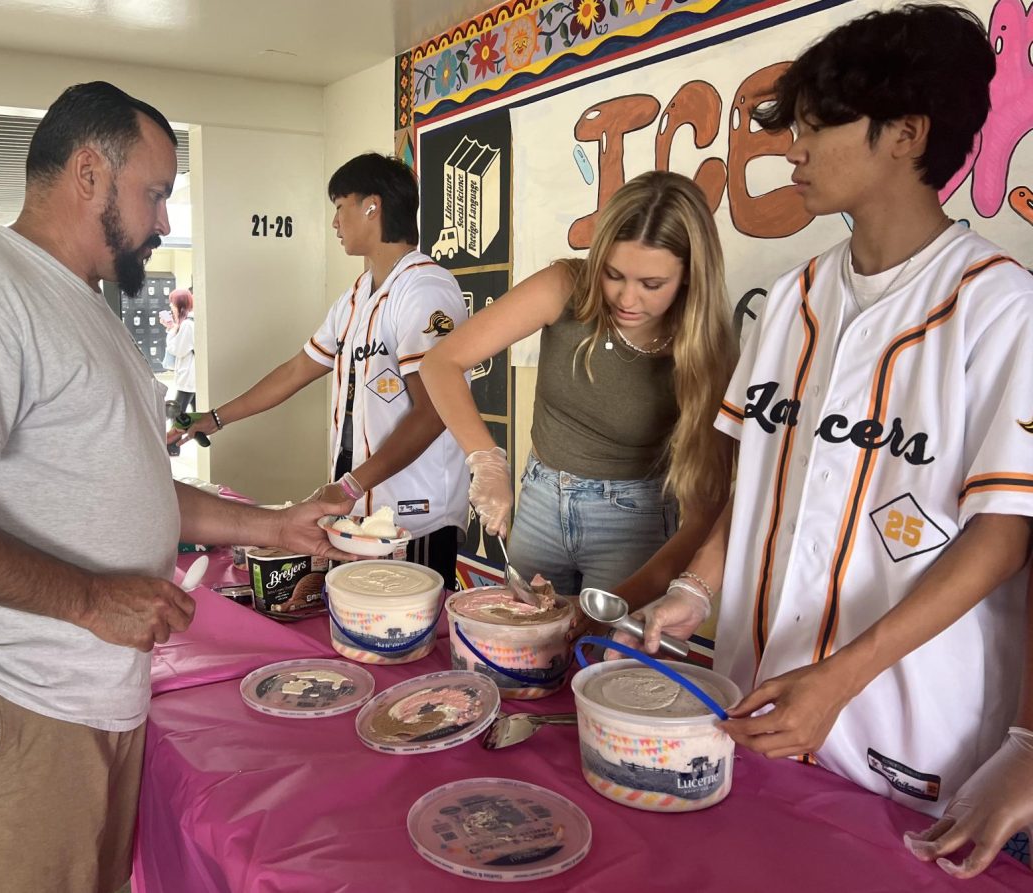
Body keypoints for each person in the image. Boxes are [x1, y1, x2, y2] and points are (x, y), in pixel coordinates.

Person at [0, 81, 351, 893]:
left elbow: (134, 487)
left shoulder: (83, 307)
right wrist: (88, 598)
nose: (162, 221)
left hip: (90, 699)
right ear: (88, 174)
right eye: (153, 194)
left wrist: (279, 527)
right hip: (13, 703)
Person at [626, 4, 1033, 879]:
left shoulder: (1003, 308)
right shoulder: (794, 298)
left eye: (817, 128)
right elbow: (757, 487)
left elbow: (1003, 538)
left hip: (903, 731)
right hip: (757, 701)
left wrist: (843, 680)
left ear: (905, 135)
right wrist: (692, 590)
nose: (794, 151)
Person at [421, 171, 735, 600]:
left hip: (633, 521)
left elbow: (705, 511)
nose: (626, 299)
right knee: (522, 647)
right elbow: (441, 362)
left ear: (689, 278)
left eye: (651, 285)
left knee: (604, 659)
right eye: (614, 274)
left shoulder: (706, 349)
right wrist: (486, 459)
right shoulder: (565, 287)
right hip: (539, 501)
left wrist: (604, 612)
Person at [174, 152, 470, 588]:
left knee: (407, 634)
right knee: (360, 629)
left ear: (372, 206)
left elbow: (433, 412)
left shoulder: (424, 289)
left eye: (339, 207)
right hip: (361, 508)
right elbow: (296, 370)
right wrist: (215, 419)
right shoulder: (357, 296)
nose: (335, 223)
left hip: (413, 515)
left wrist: (348, 487)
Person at [164, 287, 196, 413]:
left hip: (188, 375)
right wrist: (173, 327)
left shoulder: (187, 325)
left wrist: (171, 330)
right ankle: (197, 432)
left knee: (176, 412)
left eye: (172, 303)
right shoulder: (189, 322)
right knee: (196, 410)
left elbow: (177, 349)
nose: (171, 306)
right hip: (191, 375)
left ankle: (177, 432)